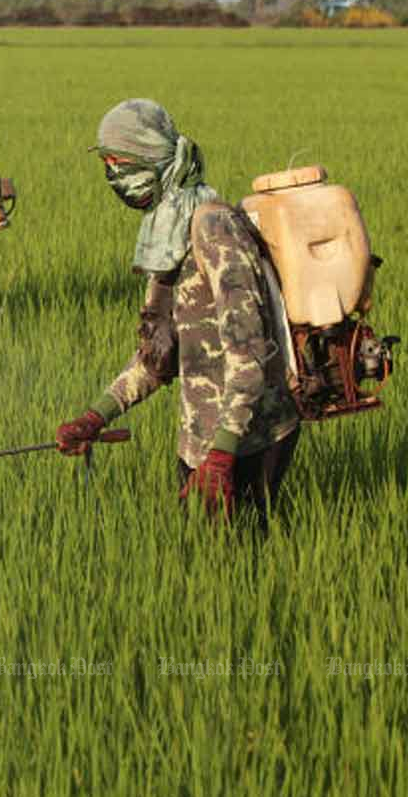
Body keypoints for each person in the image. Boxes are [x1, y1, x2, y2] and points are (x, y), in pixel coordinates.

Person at [54, 99, 300, 523]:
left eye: (119, 163)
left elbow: (250, 356)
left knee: (239, 548)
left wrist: (222, 455)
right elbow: (158, 357)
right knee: (197, 548)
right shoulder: (165, 234)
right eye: (106, 164)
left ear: (151, 158)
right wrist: (96, 416)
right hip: (200, 437)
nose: (113, 175)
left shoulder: (214, 228)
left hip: (249, 437)